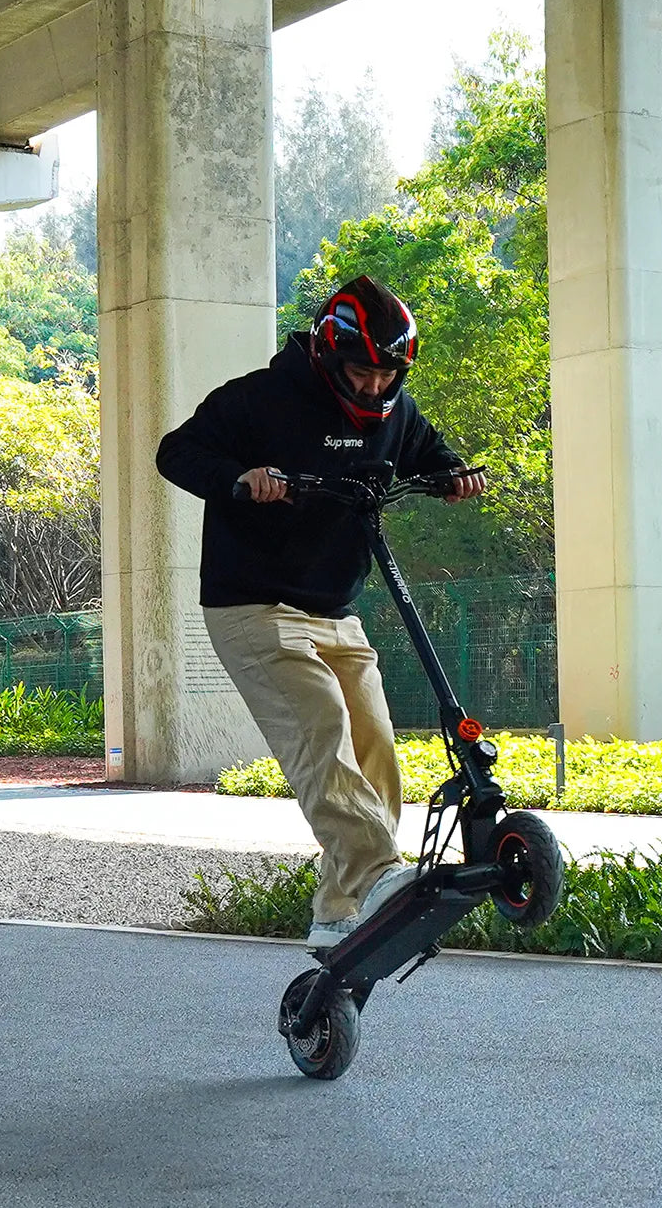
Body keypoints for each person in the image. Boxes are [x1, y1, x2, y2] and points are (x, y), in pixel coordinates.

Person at [156, 276, 485, 948]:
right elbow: (176, 451)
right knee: (323, 729)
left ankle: (340, 910)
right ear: (331, 358)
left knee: (377, 753)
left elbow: (427, 450)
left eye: (387, 372)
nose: (374, 387)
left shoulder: (396, 411)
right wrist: (240, 478)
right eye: (362, 371)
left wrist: (454, 474)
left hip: (336, 610)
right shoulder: (259, 398)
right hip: (253, 606)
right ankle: (375, 871)